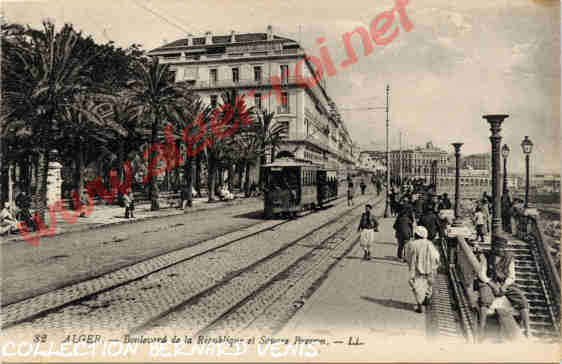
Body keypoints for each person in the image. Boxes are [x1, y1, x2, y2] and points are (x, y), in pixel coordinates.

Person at [477, 235, 531, 338]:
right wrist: (492, 284)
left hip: (504, 282)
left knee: (522, 300)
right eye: (497, 247)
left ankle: (527, 330)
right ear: (493, 247)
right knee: (484, 300)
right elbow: (482, 274)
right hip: (488, 281)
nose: (499, 249)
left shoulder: (509, 257)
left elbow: (511, 276)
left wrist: (504, 286)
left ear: (504, 247)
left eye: (501, 247)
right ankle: (481, 329)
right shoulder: (485, 256)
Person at [405, 226, 441, 313]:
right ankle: (427, 298)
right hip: (429, 268)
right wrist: (435, 265)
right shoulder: (429, 244)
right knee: (429, 284)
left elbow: (408, 256)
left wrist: (411, 264)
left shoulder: (412, 244)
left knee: (417, 286)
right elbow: (435, 256)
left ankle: (419, 304)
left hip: (417, 268)